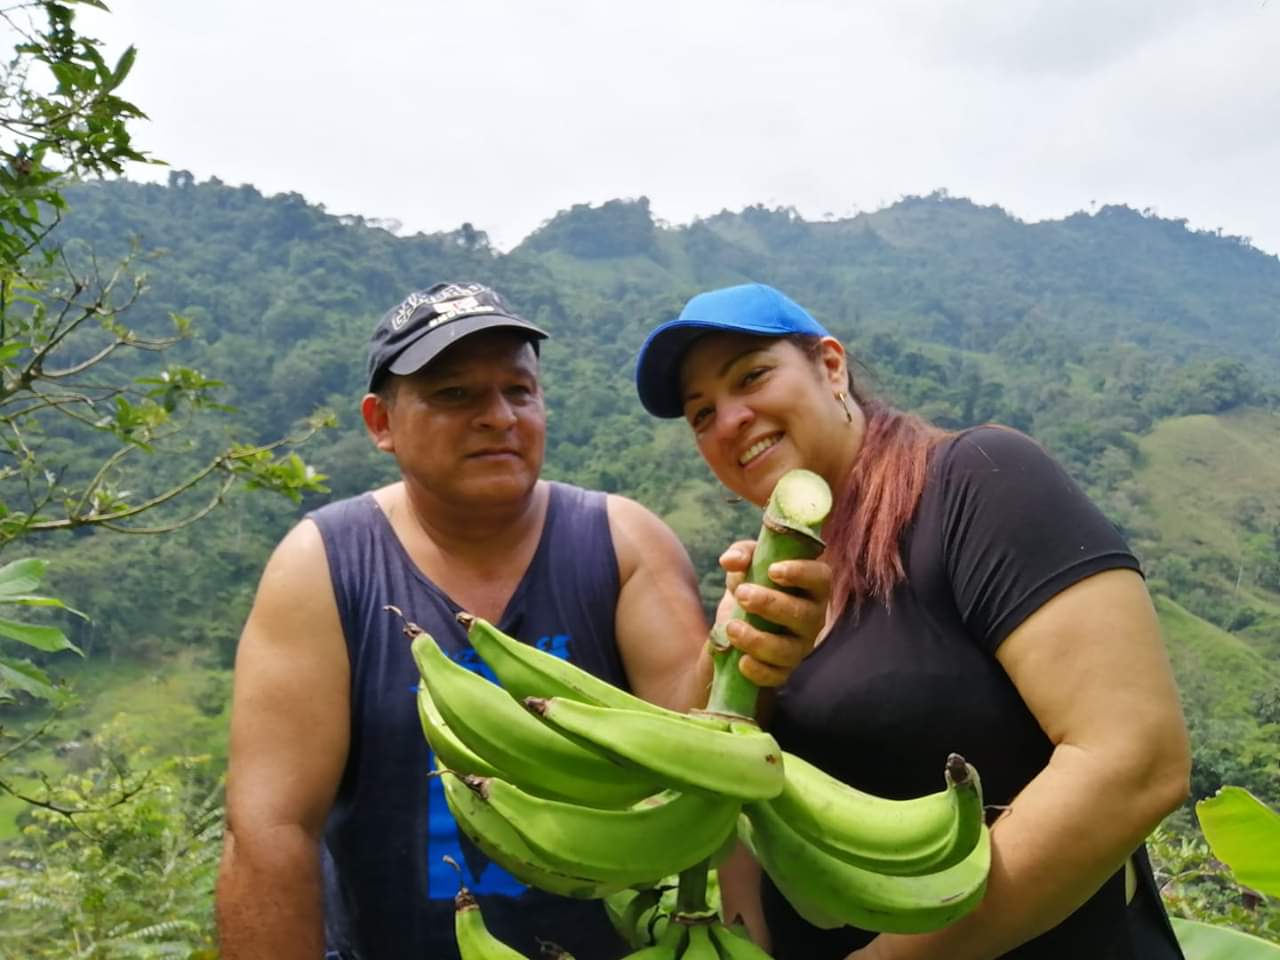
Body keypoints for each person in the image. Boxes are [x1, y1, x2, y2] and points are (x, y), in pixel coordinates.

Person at [215, 281, 830, 960]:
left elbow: (702, 770)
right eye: (455, 395)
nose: (499, 417)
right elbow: (270, 830)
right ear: (381, 423)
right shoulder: (326, 566)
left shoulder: (622, 544)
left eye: (519, 391)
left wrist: (742, 647)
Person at [633, 282, 1193, 960]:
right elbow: (715, 784)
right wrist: (734, 658)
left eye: (751, 376)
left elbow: (1135, 760)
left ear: (831, 366)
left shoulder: (979, 481)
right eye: (700, 416)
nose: (728, 421)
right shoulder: (774, 577)